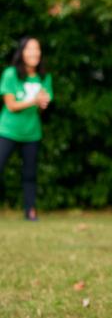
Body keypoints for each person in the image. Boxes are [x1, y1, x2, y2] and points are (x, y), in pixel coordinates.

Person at [0, 37, 53, 221]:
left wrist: (43, 104)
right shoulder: (10, 74)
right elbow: (11, 105)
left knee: (30, 173)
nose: (34, 53)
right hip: (7, 131)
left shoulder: (44, 77)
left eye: (37, 49)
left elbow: (42, 106)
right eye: (30, 49)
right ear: (22, 52)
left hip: (32, 133)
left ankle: (30, 211)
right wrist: (34, 101)